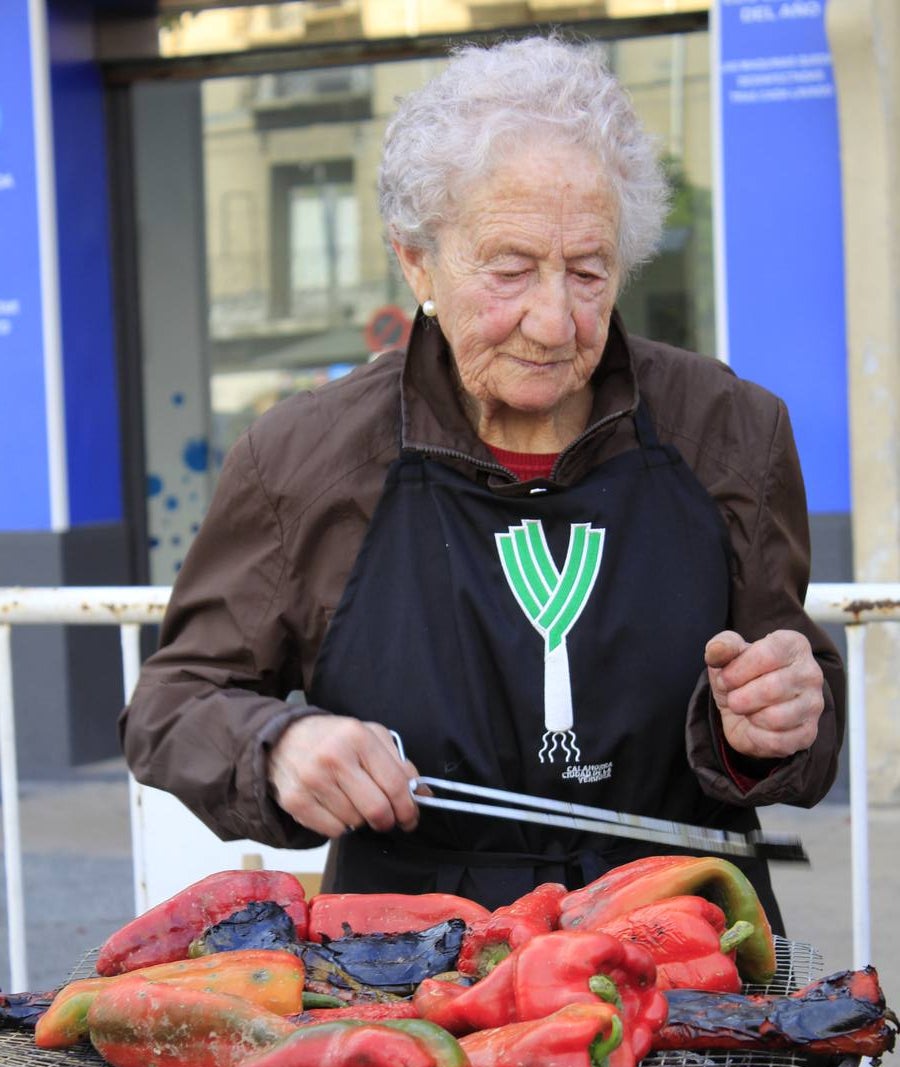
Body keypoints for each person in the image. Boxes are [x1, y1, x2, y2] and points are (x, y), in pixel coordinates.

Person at [121, 35, 844, 932]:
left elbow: (796, 709)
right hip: (407, 958)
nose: (553, 320)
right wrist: (277, 744)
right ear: (417, 261)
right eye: (510, 270)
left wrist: (779, 719)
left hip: (679, 937)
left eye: (589, 272)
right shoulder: (301, 458)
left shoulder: (733, 431)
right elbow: (172, 704)